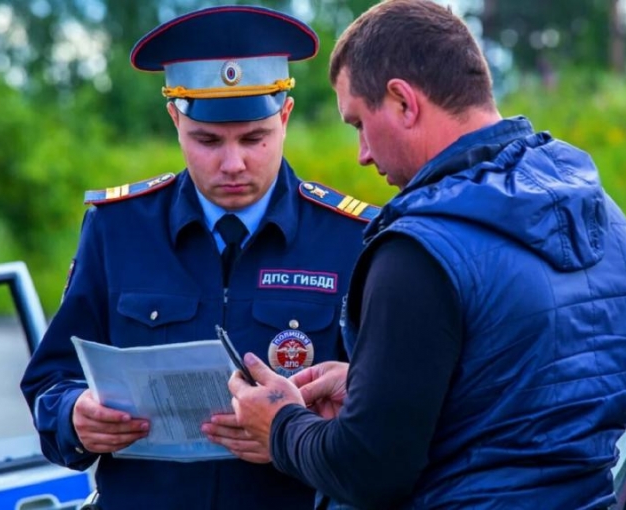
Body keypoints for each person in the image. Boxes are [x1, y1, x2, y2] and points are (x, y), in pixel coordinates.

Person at [228, 0, 626, 508]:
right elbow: (518, 405)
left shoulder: (419, 251)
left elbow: (368, 469)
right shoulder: (605, 218)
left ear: (403, 102)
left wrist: (280, 423)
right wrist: (371, 385)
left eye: (359, 123)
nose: (362, 154)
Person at [20, 5, 377, 510]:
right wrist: (73, 415)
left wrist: (297, 437)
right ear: (175, 119)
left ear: (285, 116)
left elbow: (385, 410)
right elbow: (49, 380)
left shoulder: (350, 237)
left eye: (254, 138)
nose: (233, 163)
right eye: (207, 140)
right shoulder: (118, 229)